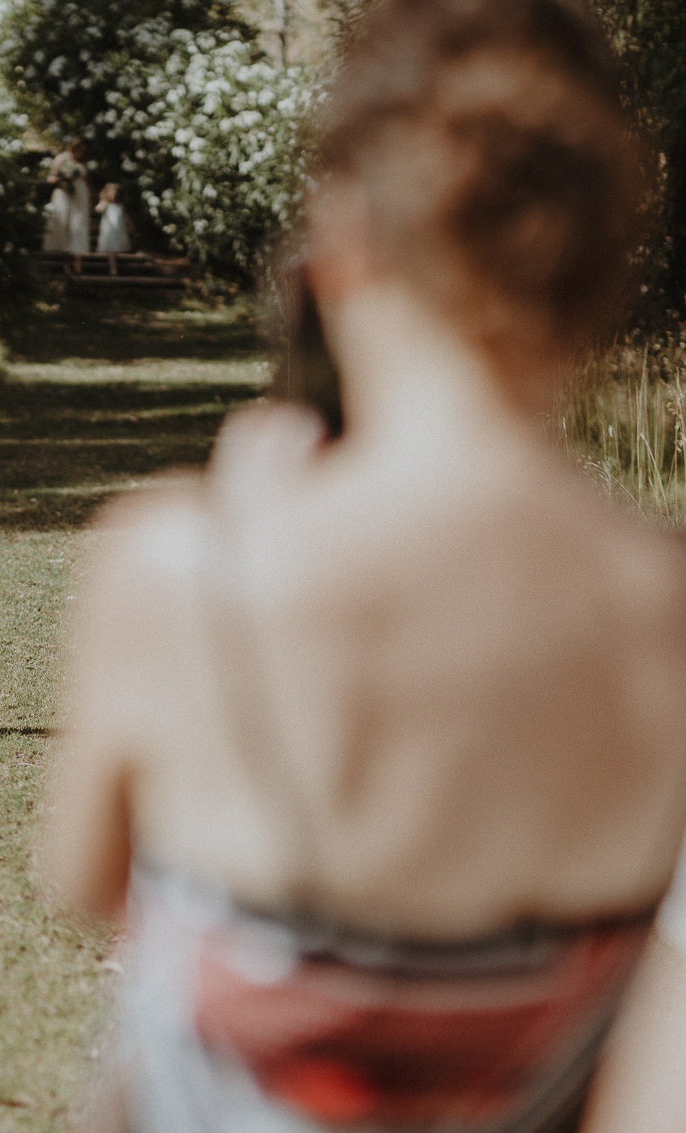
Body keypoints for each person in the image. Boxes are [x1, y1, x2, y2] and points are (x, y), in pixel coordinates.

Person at [40, 1, 686, 1130]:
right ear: (594, 272)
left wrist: (245, 521)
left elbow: (87, 877)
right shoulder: (664, 612)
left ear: (341, 243)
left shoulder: (176, 565)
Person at [43, 139, 93, 256]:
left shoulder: (82, 160)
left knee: (78, 224)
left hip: (80, 195)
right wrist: (64, 179)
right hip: (65, 193)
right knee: (63, 221)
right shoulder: (62, 158)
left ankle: (76, 254)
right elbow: (51, 178)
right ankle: (64, 255)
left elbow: (86, 180)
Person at [94, 182, 133, 256]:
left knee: (119, 246)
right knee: (111, 248)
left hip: (119, 230)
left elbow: (125, 216)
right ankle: (113, 265)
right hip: (109, 230)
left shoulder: (120, 205)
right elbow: (98, 209)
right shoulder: (106, 204)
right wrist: (104, 201)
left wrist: (130, 225)